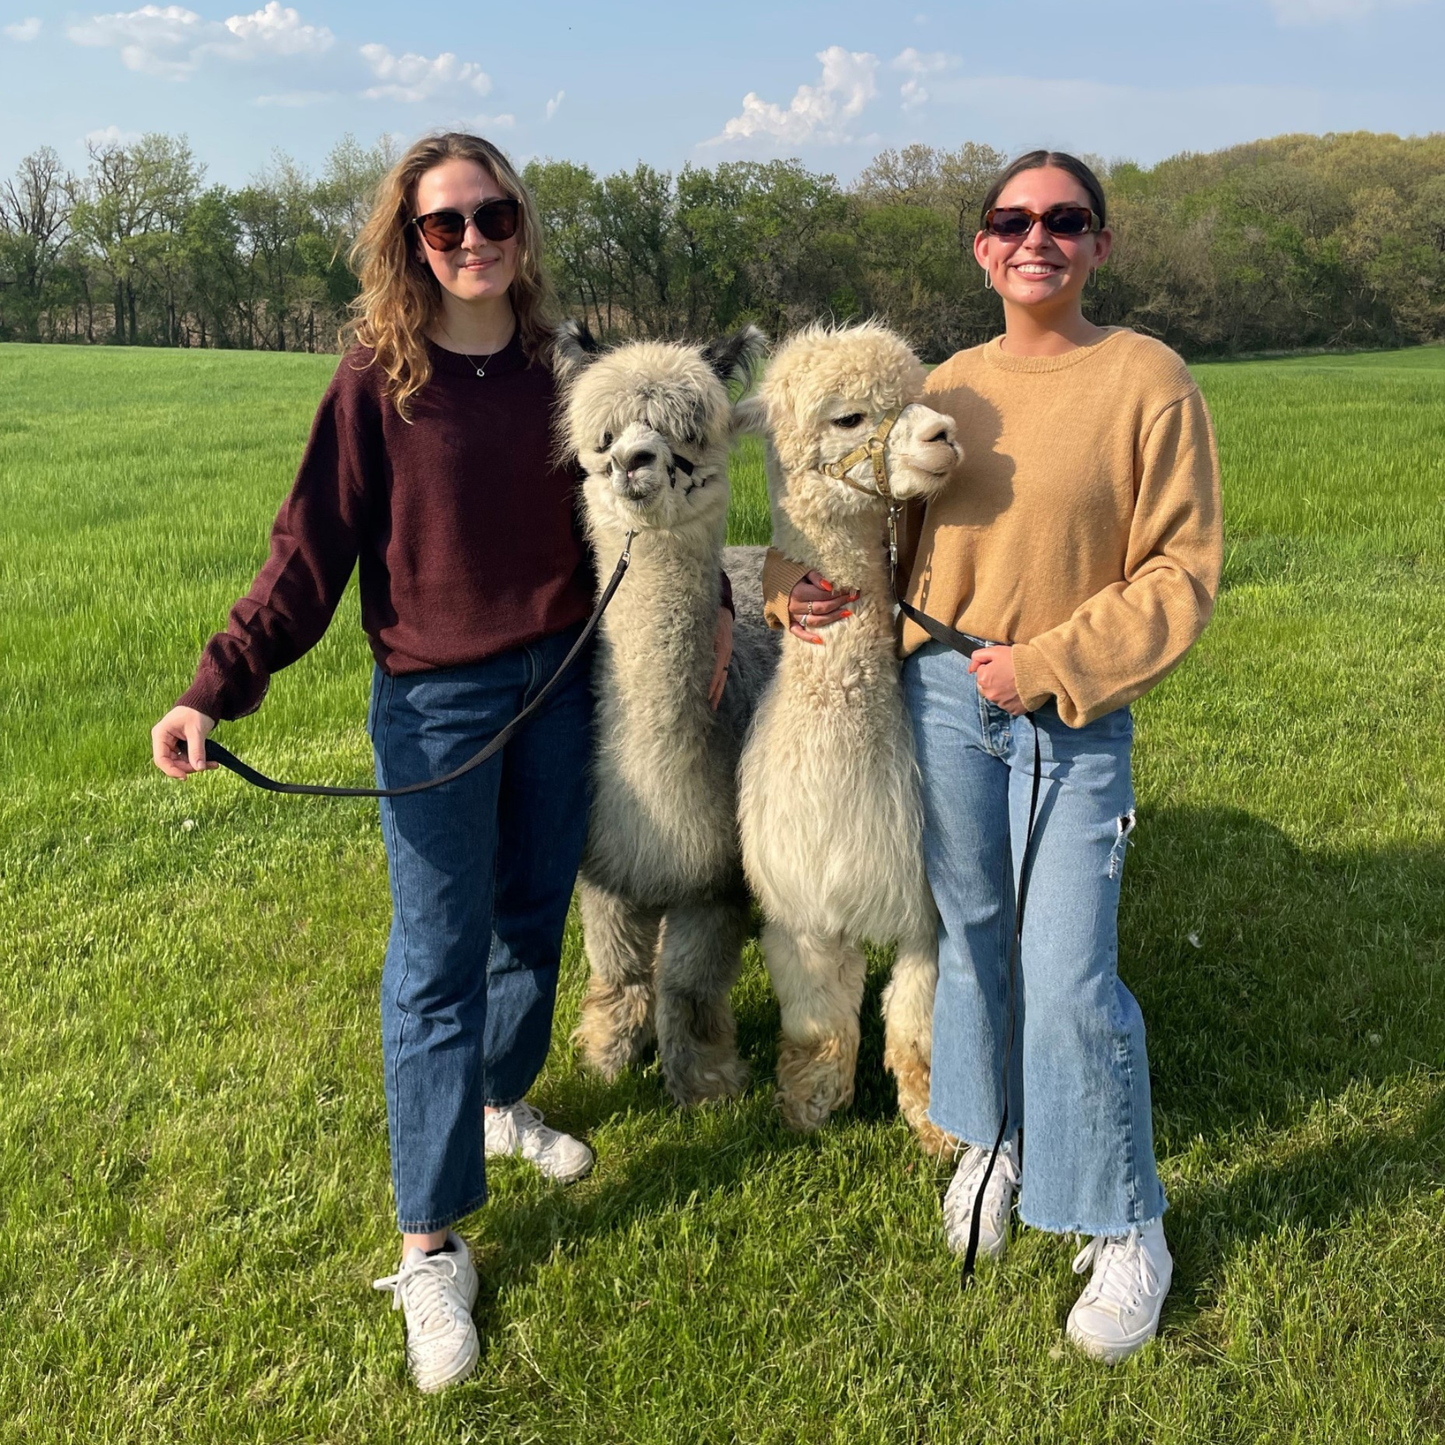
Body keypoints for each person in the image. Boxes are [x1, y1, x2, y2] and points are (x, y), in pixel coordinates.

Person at [149, 132, 733, 1393]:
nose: (473, 240)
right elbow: (307, 552)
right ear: (407, 242)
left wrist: (722, 611)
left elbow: (633, 521)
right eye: (444, 224)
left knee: (533, 915)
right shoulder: (379, 379)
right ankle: (429, 1242)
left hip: (563, 682)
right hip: (436, 703)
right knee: (434, 956)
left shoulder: (561, 373)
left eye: (493, 215)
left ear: (522, 224)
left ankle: (494, 1098)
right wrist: (215, 685)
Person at [764, 150, 1222, 1363]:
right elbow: (860, 526)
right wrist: (771, 584)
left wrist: (1050, 663)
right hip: (936, 688)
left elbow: (1180, 572)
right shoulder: (946, 385)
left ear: (1097, 245)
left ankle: (1124, 1219)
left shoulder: (1144, 381)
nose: (1037, 237)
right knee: (967, 938)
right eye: (1011, 220)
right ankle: (989, 1134)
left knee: (1069, 968)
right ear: (980, 247)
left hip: (1065, 702)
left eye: (1064, 220)